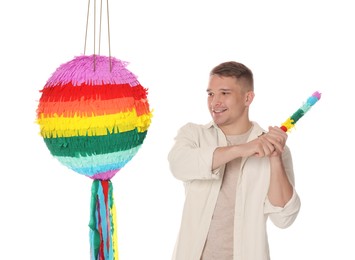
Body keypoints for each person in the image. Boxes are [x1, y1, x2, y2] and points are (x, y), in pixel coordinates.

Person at [168, 61, 301, 260]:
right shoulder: (194, 135)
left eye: (225, 93)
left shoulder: (273, 149)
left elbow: (284, 218)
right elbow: (179, 164)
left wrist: (275, 158)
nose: (215, 102)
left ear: (248, 98)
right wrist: (243, 149)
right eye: (210, 94)